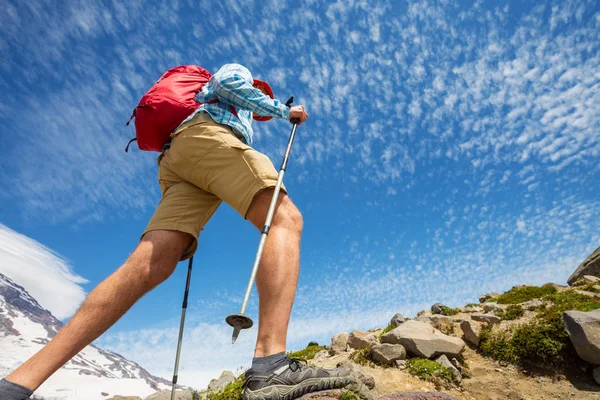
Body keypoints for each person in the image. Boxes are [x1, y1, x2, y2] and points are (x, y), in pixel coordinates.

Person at [0, 63, 354, 400]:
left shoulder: (224, 113)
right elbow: (229, 84)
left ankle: (17, 384)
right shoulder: (236, 76)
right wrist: (281, 110)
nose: (256, 102)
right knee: (284, 218)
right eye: (258, 94)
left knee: (150, 264)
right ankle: (271, 365)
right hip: (203, 139)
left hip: (179, 157)